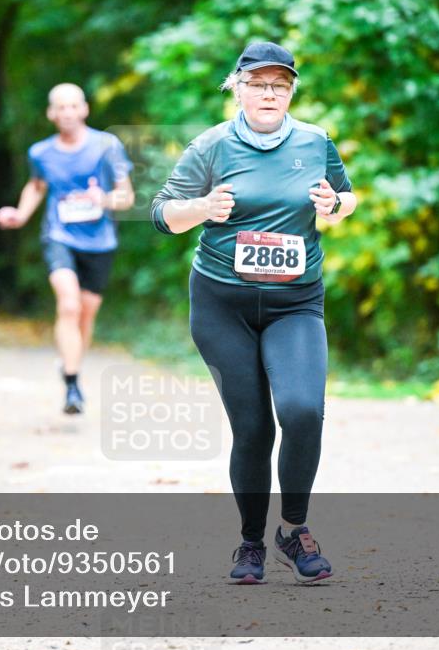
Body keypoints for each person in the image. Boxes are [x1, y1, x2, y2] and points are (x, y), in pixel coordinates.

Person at [150, 42, 358, 584]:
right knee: (253, 427)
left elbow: (348, 195)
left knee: (302, 411)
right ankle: (249, 544)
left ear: (291, 91)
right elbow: (161, 213)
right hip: (223, 305)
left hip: (296, 303)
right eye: (259, 83)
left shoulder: (315, 141)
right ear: (237, 87)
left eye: (280, 85)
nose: (269, 93)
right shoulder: (211, 146)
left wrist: (335, 206)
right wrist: (202, 208)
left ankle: (293, 529)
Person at [0, 83, 135, 415]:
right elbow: (37, 185)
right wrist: (20, 214)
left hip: (100, 242)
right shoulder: (41, 153)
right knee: (69, 305)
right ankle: (72, 385)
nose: (68, 113)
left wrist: (102, 200)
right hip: (59, 237)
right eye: (61, 107)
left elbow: (126, 197)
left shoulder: (106, 145)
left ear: (84, 109)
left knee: (86, 315)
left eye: (74, 106)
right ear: (51, 113)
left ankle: (71, 365)